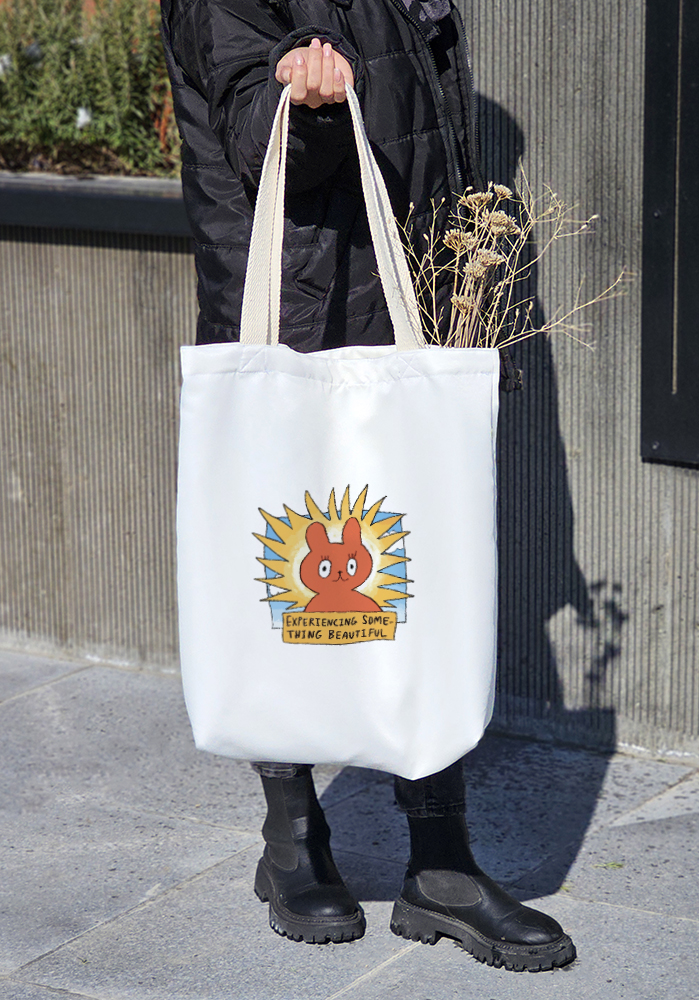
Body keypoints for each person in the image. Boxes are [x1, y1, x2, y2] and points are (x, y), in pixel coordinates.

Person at [159, 0, 575, 973]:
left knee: (419, 574)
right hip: (297, 300)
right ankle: (293, 837)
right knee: (287, 574)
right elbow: (254, 134)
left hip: (400, 298)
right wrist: (301, 105)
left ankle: (442, 861)